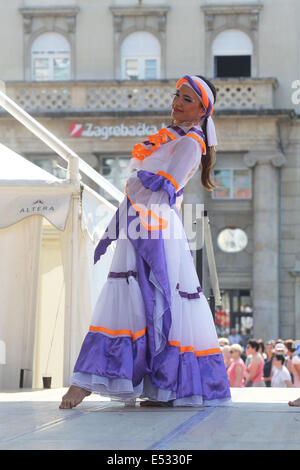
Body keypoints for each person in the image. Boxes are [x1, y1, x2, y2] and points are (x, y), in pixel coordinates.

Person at [60, 75, 231, 409]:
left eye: (187, 99)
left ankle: (140, 383)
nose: (177, 103)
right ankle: (146, 383)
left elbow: (160, 188)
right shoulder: (169, 138)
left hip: (155, 224)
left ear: (200, 111)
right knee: (135, 297)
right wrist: (136, 186)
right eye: (177, 95)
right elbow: (140, 186)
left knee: (151, 297)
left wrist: (137, 181)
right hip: (143, 220)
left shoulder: (190, 143)